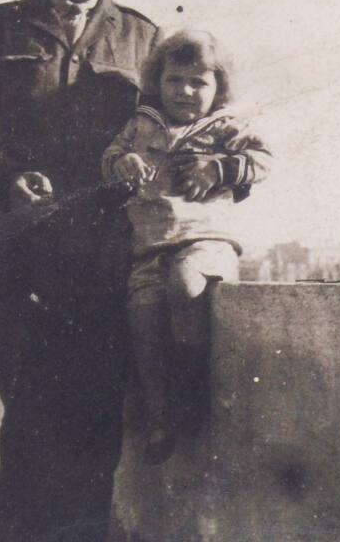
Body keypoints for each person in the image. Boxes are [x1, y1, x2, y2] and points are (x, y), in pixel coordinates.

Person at [0, 0, 160, 541]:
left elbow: (170, 141)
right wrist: (6, 178)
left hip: (104, 267)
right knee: (25, 427)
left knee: (97, 433)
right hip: (20, 263)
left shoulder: (143, 40)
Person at [102, 29, 272, 463]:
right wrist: (124, 162)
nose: (185, 91)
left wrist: (218, 170)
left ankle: (193, 389)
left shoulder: (223, 126)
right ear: (158, 81)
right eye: (175, 80)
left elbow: (262, 159)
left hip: (205, 240)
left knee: (185, 286)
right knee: (142, 321)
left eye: (199, 82)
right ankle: (161, 420)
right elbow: (108, 160)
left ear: (218, 88)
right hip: (149, 245)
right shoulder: (142, 124)